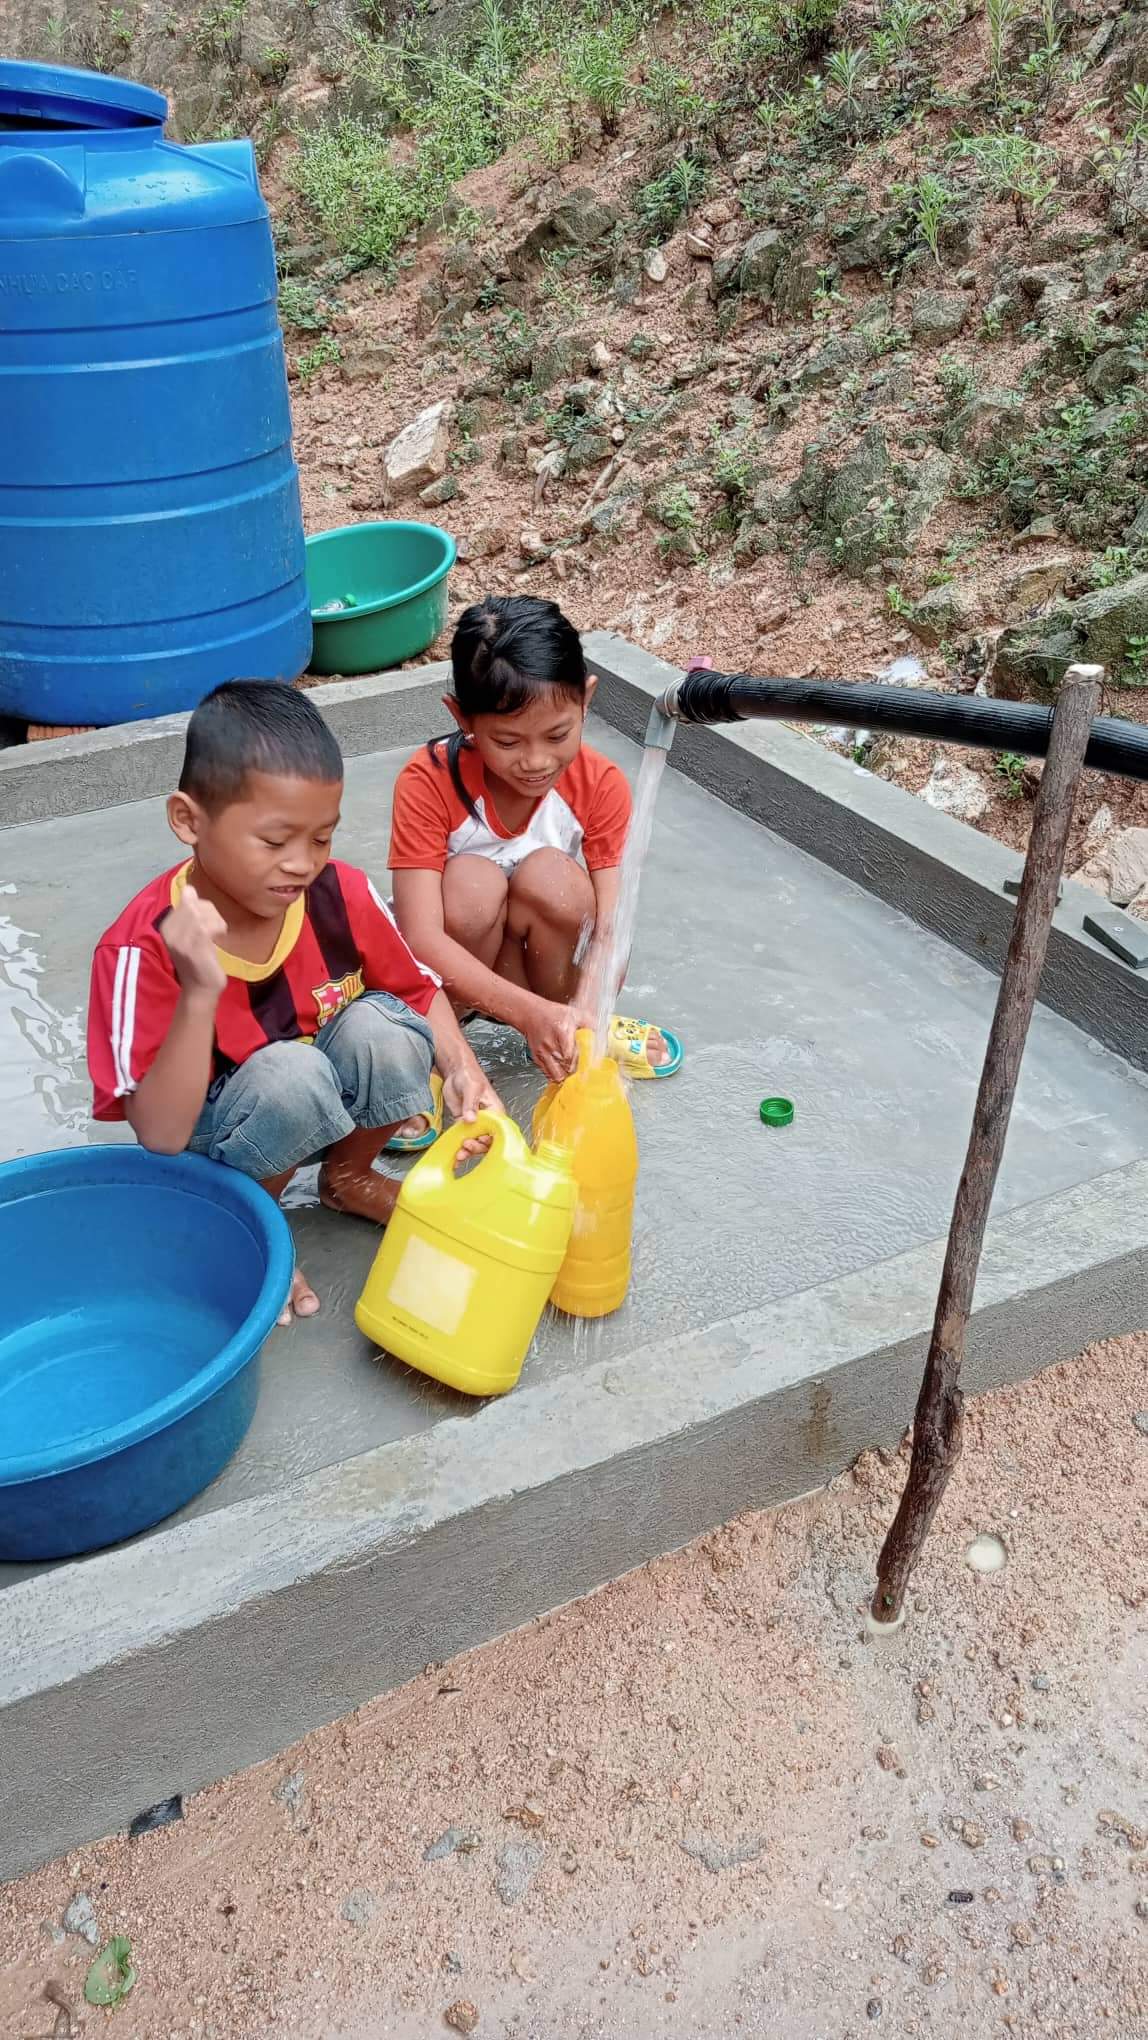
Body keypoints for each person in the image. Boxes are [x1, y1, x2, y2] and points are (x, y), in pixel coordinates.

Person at [87, 681, 501, 1322]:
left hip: (313, 1103)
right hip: (210, 1140)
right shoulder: (140, 950)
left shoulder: (341, 895)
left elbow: (418, 989)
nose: (302, 863)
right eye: (275, 841)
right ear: (188, 820)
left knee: (388, 1030)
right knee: (294, 1076)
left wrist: (466, 1075)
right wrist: (200, 992)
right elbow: (159, 1133)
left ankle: (349, 1176)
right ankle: (247, 1231)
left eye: (321, 838)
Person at [388, 595, 682, 1085]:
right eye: (507, 742)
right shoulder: (428, 781)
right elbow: (420, 937)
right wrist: (525, 1014)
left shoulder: (599, 784)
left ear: (586, 701)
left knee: (553, 877)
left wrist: (590, 1006)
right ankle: (445, 1047)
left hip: (544, 977)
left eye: (557, 734)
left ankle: (576, 1031)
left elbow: (613, 924)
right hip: (456, 983)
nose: (536, 761)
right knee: (471, 882)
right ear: (462, 719)